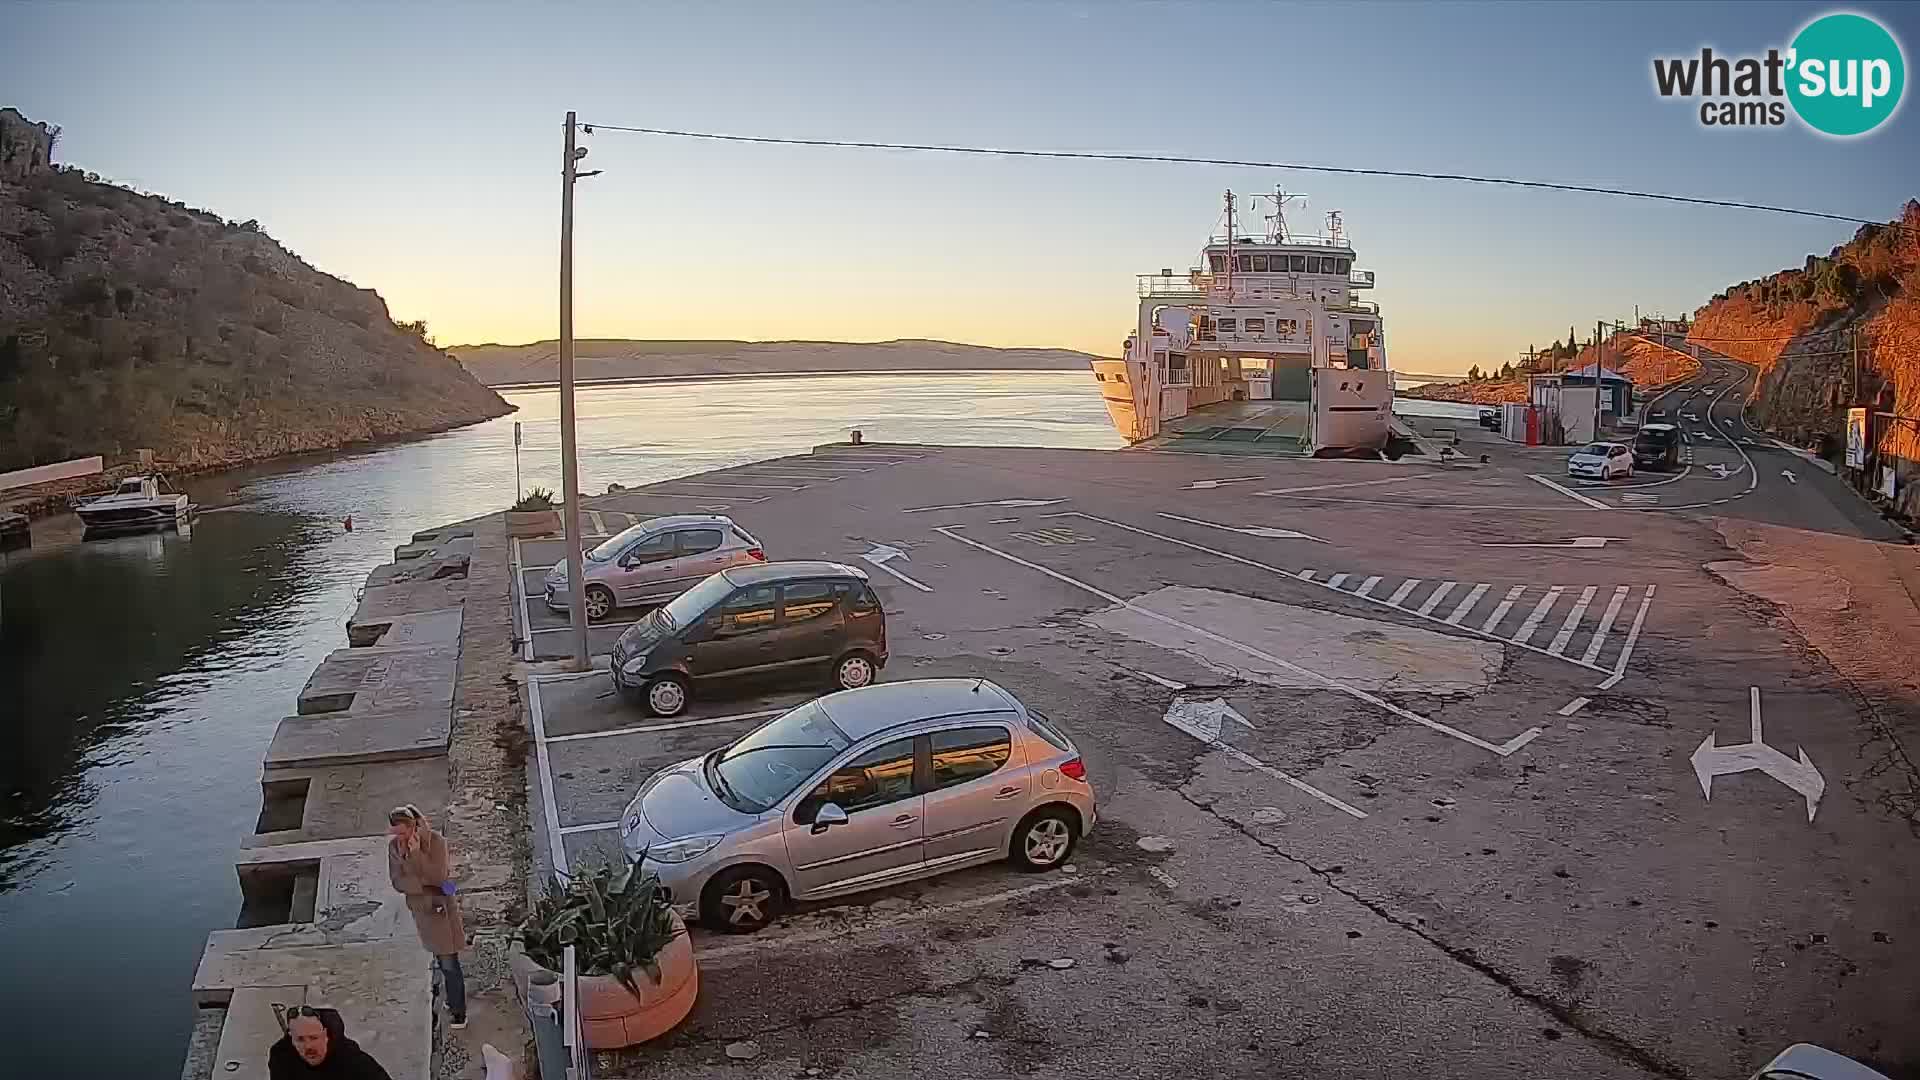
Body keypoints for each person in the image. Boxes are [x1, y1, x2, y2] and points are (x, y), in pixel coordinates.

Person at [387, 803, 468, 1030]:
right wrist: (420, 883)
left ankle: (459, 1012)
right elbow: (397, 881)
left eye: (403, 832)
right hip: (421, 910)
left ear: (413, 827)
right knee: (439, 958)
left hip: (440, 908)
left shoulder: (435, 842)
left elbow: (440, 876)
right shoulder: (395, 847)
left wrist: (415, 857)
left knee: (449, 961)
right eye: (396, 833)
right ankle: (451, 1000)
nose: (399, 837)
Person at [270, 1006, 393, 1079]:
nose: (308, 1046)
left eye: (314, 1038)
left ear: (326, 1035)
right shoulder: (282, 1058)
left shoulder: (356, 1064)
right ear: (291, 1038)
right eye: (300, 1039)